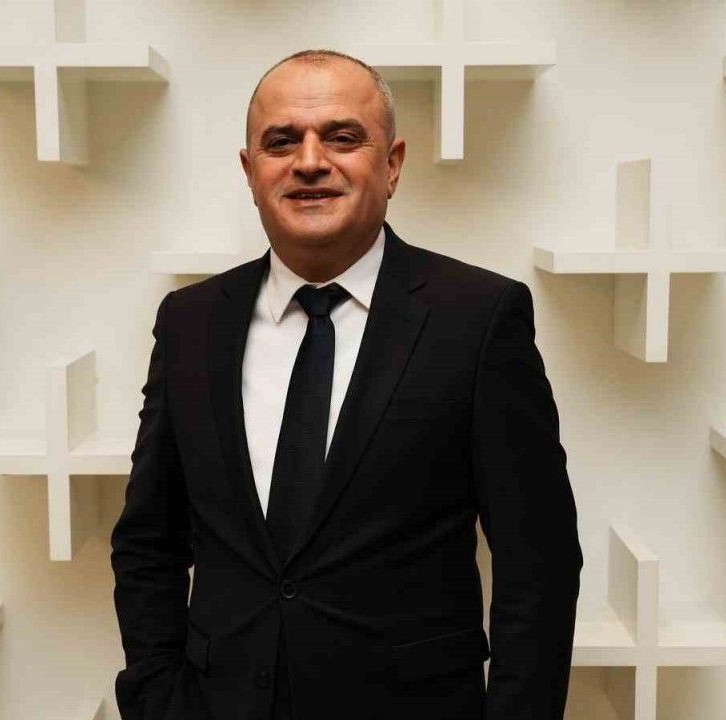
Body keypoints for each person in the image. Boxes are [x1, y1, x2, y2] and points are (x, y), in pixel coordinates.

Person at [111, 48, 584, 720]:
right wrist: (158, 698)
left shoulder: (480, 319)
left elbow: (538, 561)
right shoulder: (189, 323)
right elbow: (148, 543)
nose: (309, 161)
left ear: (392, 165)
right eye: (281, 142)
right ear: (250, 172)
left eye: (341, 137)